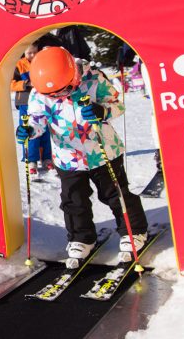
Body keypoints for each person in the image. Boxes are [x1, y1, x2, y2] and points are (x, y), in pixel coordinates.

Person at [15, 46, 148, 267]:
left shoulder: (94, 79)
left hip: (103, 150)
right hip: (67, 157)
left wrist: (101, 111)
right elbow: (37, 120)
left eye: (63, 90)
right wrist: (30, 130)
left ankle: (133, 231)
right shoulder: (39, 93)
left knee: (115, 193)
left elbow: (117, 105)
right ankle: (81, 238)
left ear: (73, 75)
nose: (58, 96)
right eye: (52, 94)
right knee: (73, 200)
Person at [11, 45, 53, 176]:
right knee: (29, 130)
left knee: (45, 129)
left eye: (35, 52)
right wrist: (26, 84)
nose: (32, 55)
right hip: (25, 102)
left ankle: (47, 157)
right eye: (29, 53)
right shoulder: (19, 65)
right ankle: (31, 160)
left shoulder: (42, 61)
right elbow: (11, 84)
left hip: (42, 101)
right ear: (24, 53)